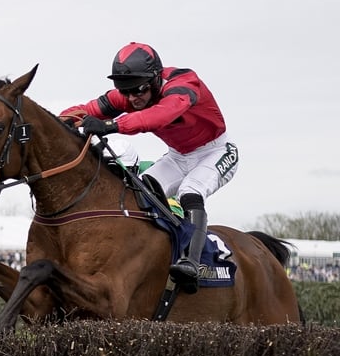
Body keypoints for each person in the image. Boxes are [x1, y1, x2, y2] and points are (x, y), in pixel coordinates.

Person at [59, 42, 238, 293]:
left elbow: (159, 116)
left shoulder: (184, 84)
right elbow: (86, 110)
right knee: (140, 193)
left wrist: (110, 125)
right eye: (126, 92)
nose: (133, 98)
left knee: (191, 191)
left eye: (138, 91)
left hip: (216, 151)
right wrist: (53, 123)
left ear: (155, 79)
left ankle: (192, 264)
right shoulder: (133, 93)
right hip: (178, 156)